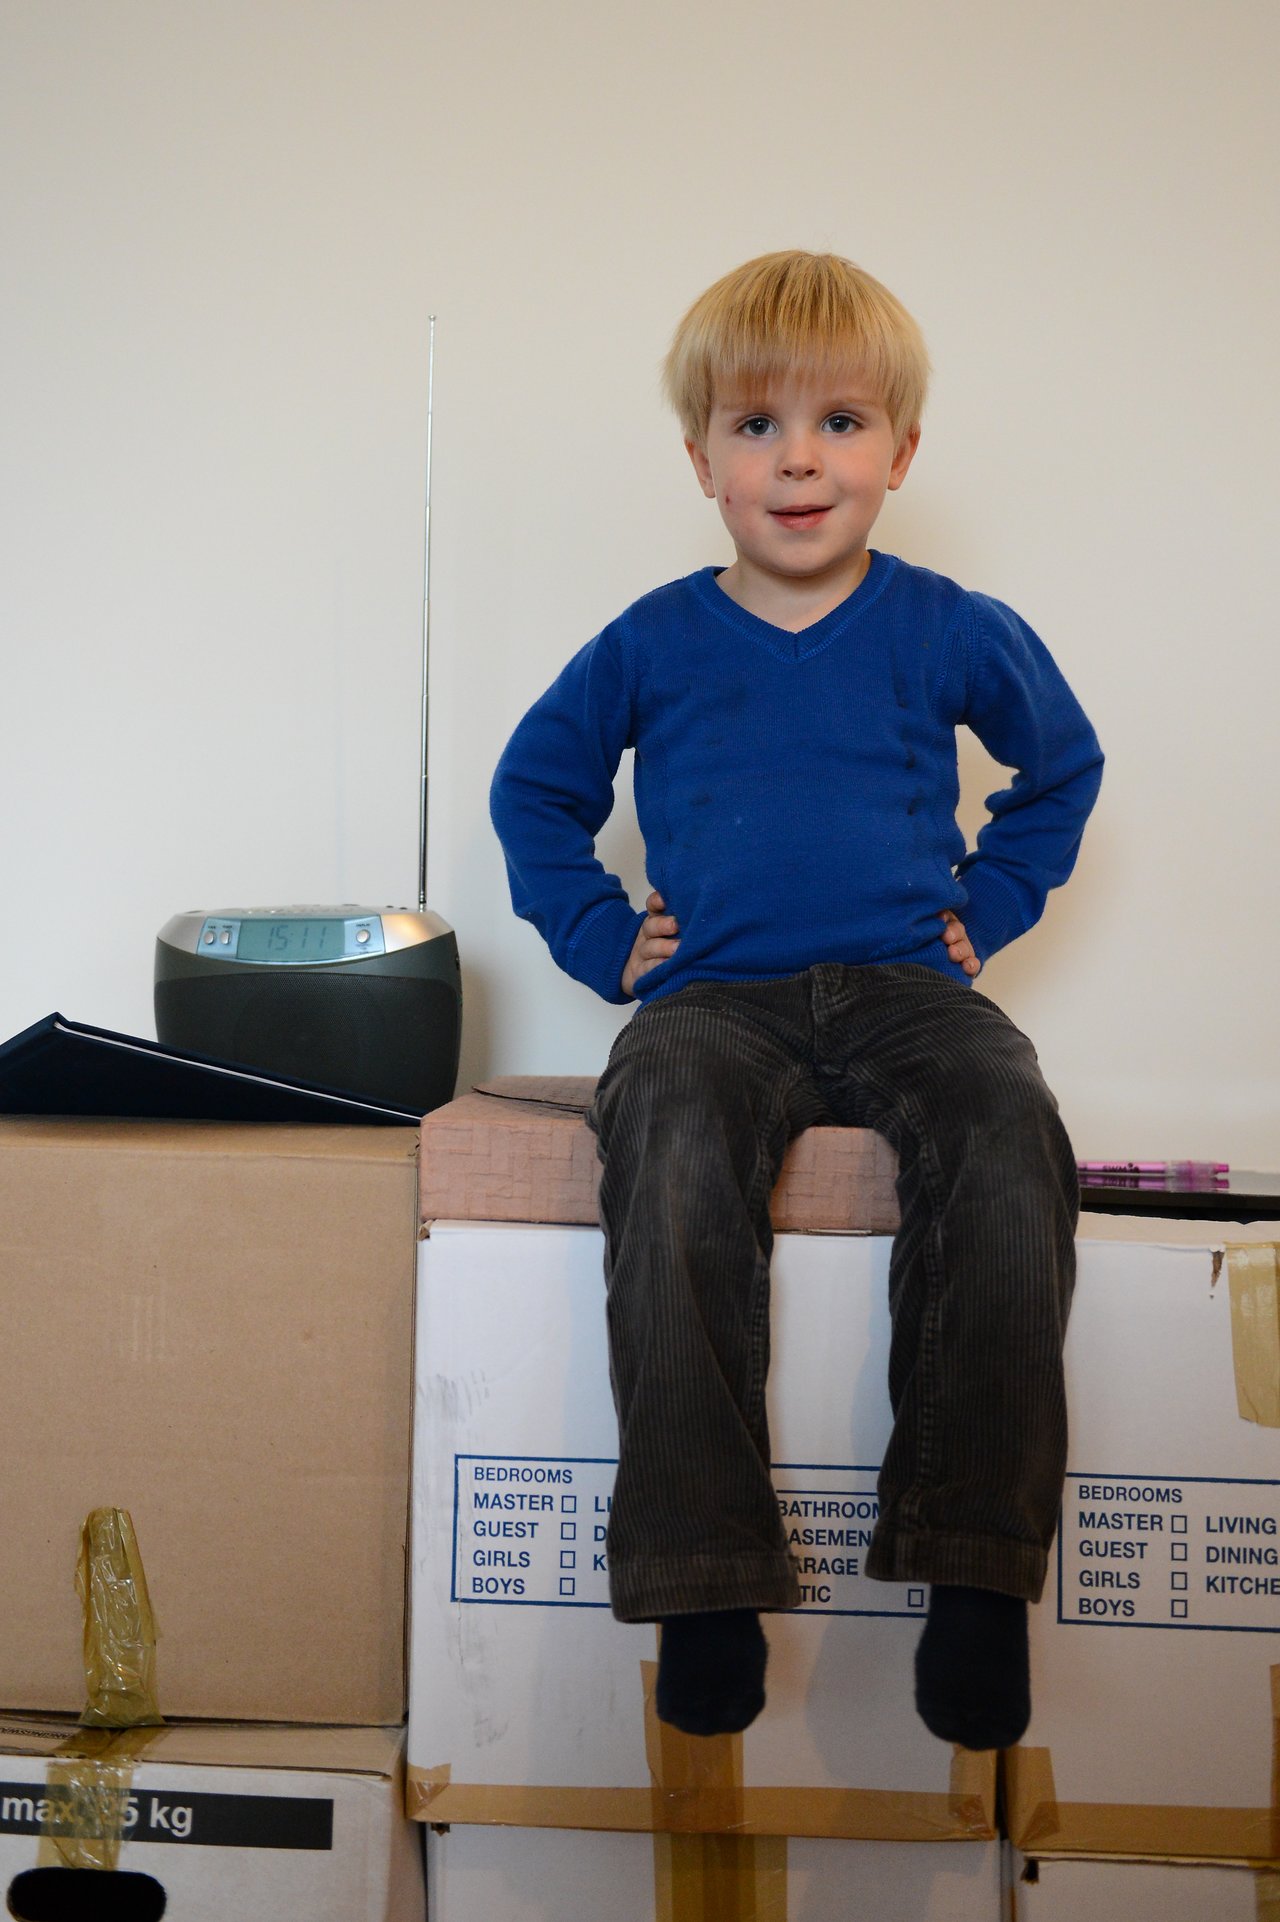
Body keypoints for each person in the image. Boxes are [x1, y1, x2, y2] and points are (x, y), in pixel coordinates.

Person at [489, 250, 1103, 1752]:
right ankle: (702, 1574)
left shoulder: (951, 623)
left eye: (839, 421)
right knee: (674, 1137)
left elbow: (1061, 768)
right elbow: (537, 788)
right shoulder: (650, 638)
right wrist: (597, 933)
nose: (801, 459)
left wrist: (992, 910)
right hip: (721, 1000)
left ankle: (973, 1571)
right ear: (700, 458)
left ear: (900, 451)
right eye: (756, 427)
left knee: (1010, 1132)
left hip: (908, 986)